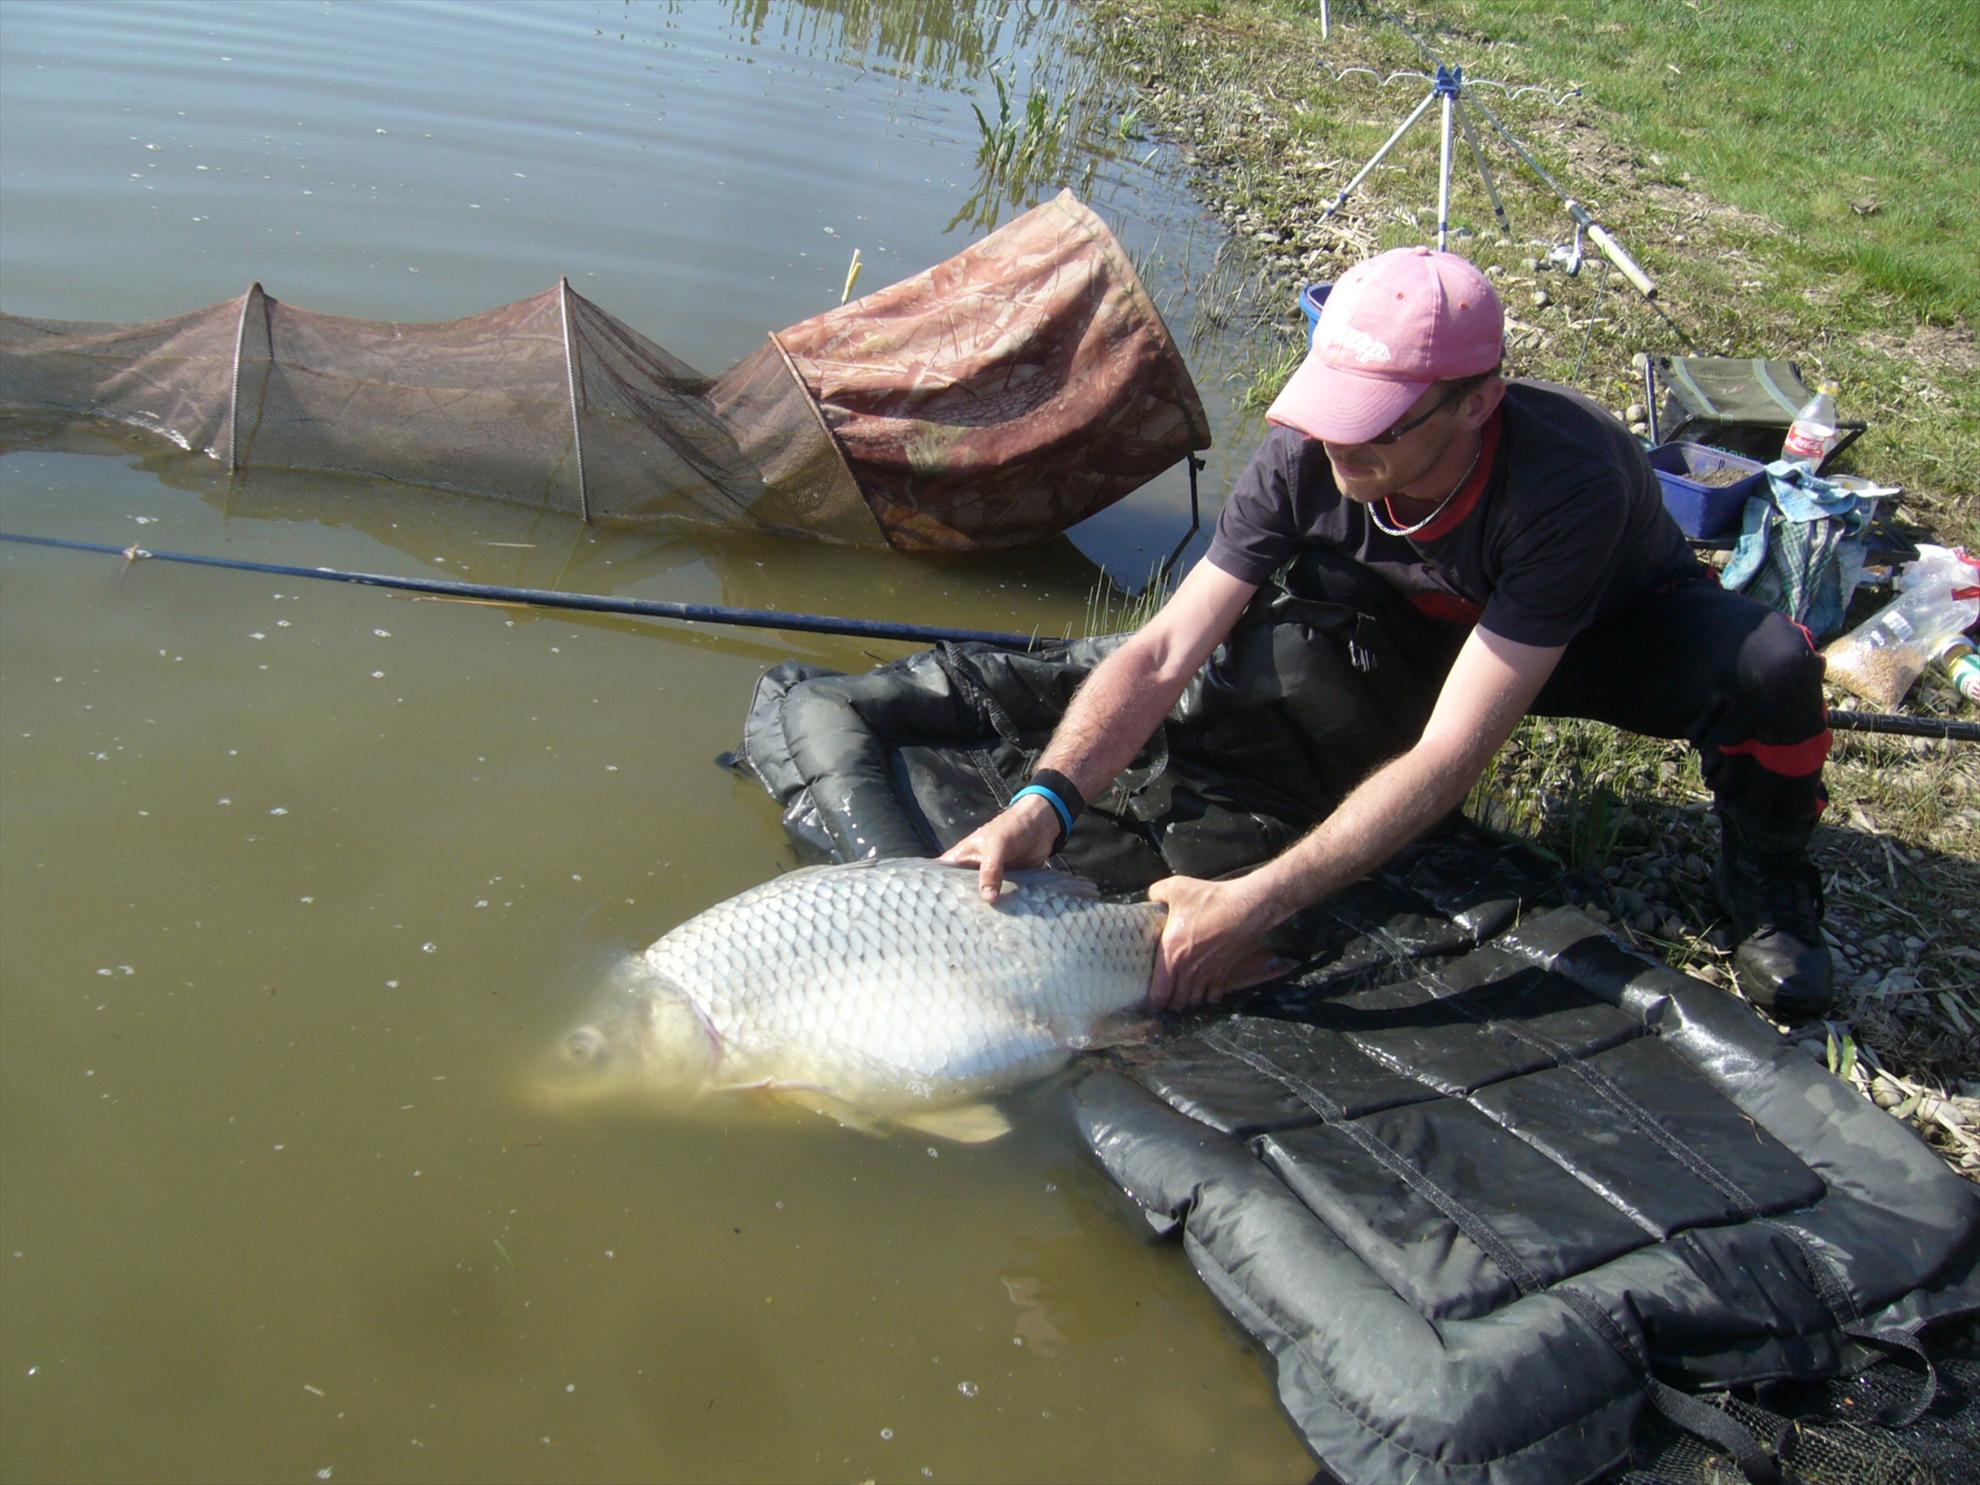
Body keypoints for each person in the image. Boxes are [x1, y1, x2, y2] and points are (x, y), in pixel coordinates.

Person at [942, 245, 1836, 1020]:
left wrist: (1251, 905)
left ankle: (1768, 884)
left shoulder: (1569, 479)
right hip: (1430, 625)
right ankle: (1336, 787)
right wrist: (1045, 803)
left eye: (1375, 425)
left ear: (1477, 403)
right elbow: (1165, 646)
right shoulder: (1309, 450)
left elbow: (1453, 754)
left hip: (1601, 635)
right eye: (1331, 409)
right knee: (1292, 612)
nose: (1340, 446)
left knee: (1770, 664)